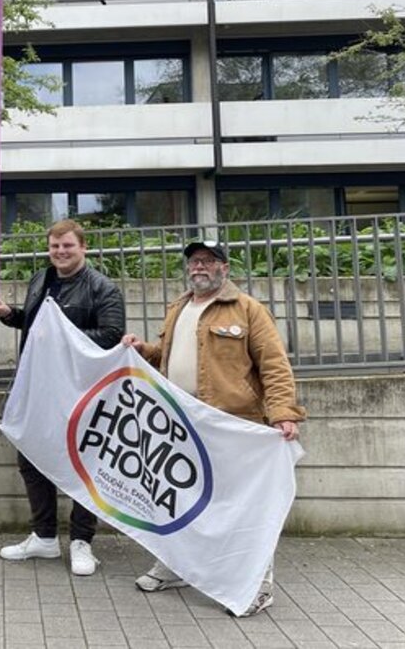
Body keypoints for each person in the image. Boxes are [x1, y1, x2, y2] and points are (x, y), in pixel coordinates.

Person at [121, 239, 305, 617]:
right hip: (184, 426)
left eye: (207, 261)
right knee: (181, 501)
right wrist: (143, 351)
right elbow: (170, 357)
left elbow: (274, 365)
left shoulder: (248, 310)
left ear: (224, 267)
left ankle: (257, 585)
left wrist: (283, 412)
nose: (199, 267)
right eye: (193, 261)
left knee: (245, 509)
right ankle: (177, 567)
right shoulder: (179, 308)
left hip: (233, 427)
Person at [0, 218, 126, 576]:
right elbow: (34, 324)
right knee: (31, 458)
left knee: (84, 465)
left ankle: (82, 541)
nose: (60, 252)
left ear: (83, 248)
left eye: (67, 246)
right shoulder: (41, 279)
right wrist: (9, 315)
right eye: (54, 246)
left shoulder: (102, 288)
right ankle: (44, 538)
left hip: (81, 390)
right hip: (39, 387)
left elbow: (112, 335)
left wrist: (62, 336)